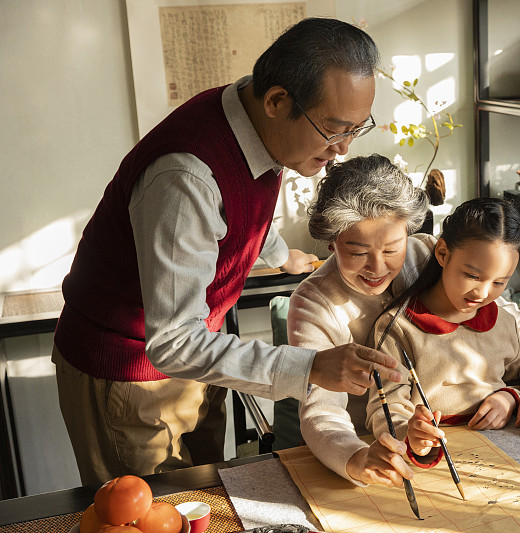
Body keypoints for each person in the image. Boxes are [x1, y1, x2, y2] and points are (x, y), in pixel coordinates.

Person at [51, 17, 401, 485]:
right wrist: (311, 366)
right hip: (129, 372)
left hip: (196, 357)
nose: (342, 149)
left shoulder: (260, 123)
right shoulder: (185, 177)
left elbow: (237, 210)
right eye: (334, 130)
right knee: (154, 509)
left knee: (208, 498)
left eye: (357, 129)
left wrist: (281, 254)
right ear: (277, 101)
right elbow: (173, 341)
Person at [289, 159, 520, 488]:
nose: (377, 267)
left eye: (392, 249)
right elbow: (321, 410)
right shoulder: (312, 303)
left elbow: (510, 321)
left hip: (456, 441)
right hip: (368, 447)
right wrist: (355, 458)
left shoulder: (428, 252)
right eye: (358, 252)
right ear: (332, 242)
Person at [365, 198, 520, 465]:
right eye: (472, 276)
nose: (482, 293)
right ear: (443, 254)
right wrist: (408, 433)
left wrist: (509, 398)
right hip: (435, 455)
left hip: (506, 450)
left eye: (499, 282)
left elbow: (519, 380)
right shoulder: (398, 327)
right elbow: (385, 405)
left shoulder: (503, 322)